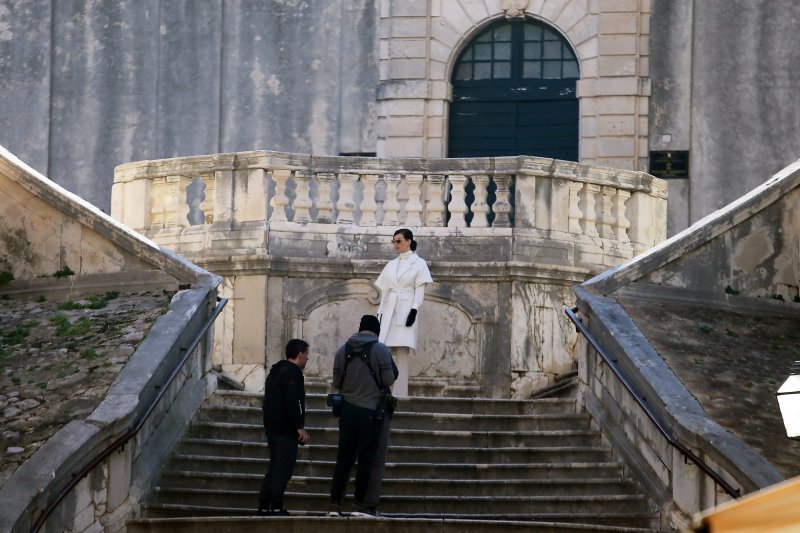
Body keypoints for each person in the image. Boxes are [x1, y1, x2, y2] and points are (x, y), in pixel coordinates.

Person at [328, 315, 396, 517]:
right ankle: (360, 504)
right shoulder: (380, 349)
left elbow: (337, 382)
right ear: (376, 331)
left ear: (360, 329)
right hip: (371, 412)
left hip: (347, 412)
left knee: (344, 459)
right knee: (366, 459)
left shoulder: (342, 350)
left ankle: (335, 504)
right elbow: (389, 379)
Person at [375, 228, 433, 397]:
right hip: (389, 309)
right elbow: (385, 291)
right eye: (393, 241)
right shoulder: (391, 265)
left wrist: (414, 309)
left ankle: (400, 392)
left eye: (398, 241)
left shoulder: (419, 263)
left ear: (409, 241)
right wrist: (380, 313)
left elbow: (419, 289)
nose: (396, 245)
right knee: (382, 348)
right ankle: (384, 389)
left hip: (406, 308)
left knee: (402, 349)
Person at [257, 339, 311, 516]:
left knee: (273, 467)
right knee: (283, 468)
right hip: (285, 430)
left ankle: (264, 505)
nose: (307, 359)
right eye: (306, 355)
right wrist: (299, 426)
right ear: (300, 354)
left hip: (273, 428)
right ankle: (277, 506)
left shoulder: (276, 371)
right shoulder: (292, 373)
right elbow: (293, 401)